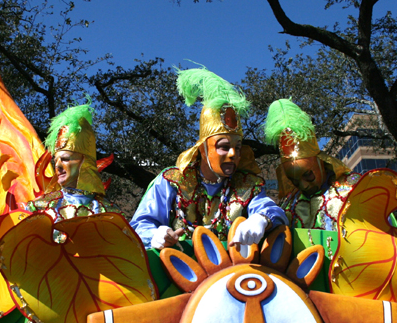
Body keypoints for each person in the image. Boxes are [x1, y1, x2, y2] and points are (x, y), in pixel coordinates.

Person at [130, 68, 286, 249]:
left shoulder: (248, 185)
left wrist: (262, 219)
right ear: (203, 150)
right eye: (224, 147)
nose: (233, 154)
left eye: (237, 148)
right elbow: (140, 224)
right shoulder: (172, 181)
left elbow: (272, 211)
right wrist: (155, 234)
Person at [264, 99, 359, 231]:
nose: (304, 186)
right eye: (294, 181)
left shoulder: (354, 190)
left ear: (320, 161)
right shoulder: (290, 206)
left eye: (308, 174)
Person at [27, 103, 119, 220]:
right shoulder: (39, 207)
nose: (58, 165)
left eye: (65, 159)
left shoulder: (109, 213)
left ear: (84, 163)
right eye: (56, 161)